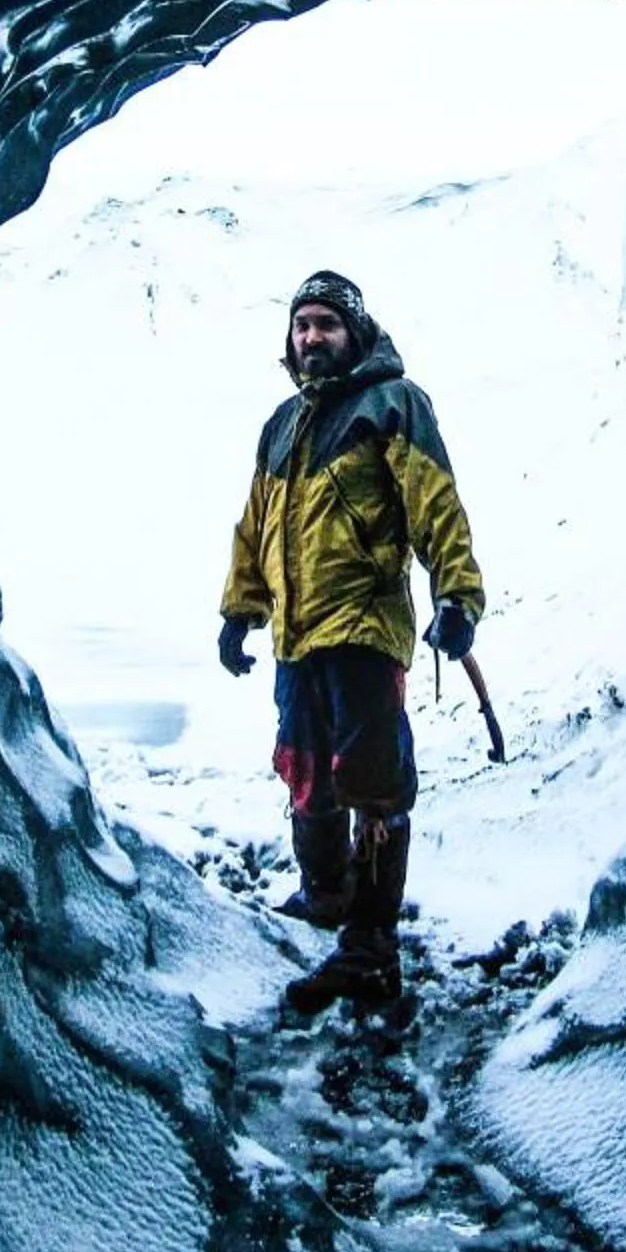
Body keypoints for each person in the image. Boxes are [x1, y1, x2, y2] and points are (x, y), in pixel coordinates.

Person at [218, 270, 485, 1014]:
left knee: (372, 779)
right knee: (305, 770)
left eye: (326, 325)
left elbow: (436, 504)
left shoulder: (393, 403)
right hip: (297, 636)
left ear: (355, 333)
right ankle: (326, 895)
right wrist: (240, 610)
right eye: (302, 325)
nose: (312, 338)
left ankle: (370, 948)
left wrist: (457, 595)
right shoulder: (281, 425)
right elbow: (255, 524)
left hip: (364, 628)